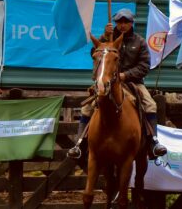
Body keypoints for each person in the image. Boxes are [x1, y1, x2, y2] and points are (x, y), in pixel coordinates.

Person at [68, 8, 167, 160]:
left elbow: (144, 66)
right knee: (87, 107)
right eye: (119, 22)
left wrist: (125, 75)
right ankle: (79, 144)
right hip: (108, 82)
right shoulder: (108, 38)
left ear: (131, 23)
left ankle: (153, 142)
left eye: (126, 22)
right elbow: (95, 54)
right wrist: (104, 36)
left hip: (133, 83)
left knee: (151, 105)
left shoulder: (139, 42)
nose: (122, 25)